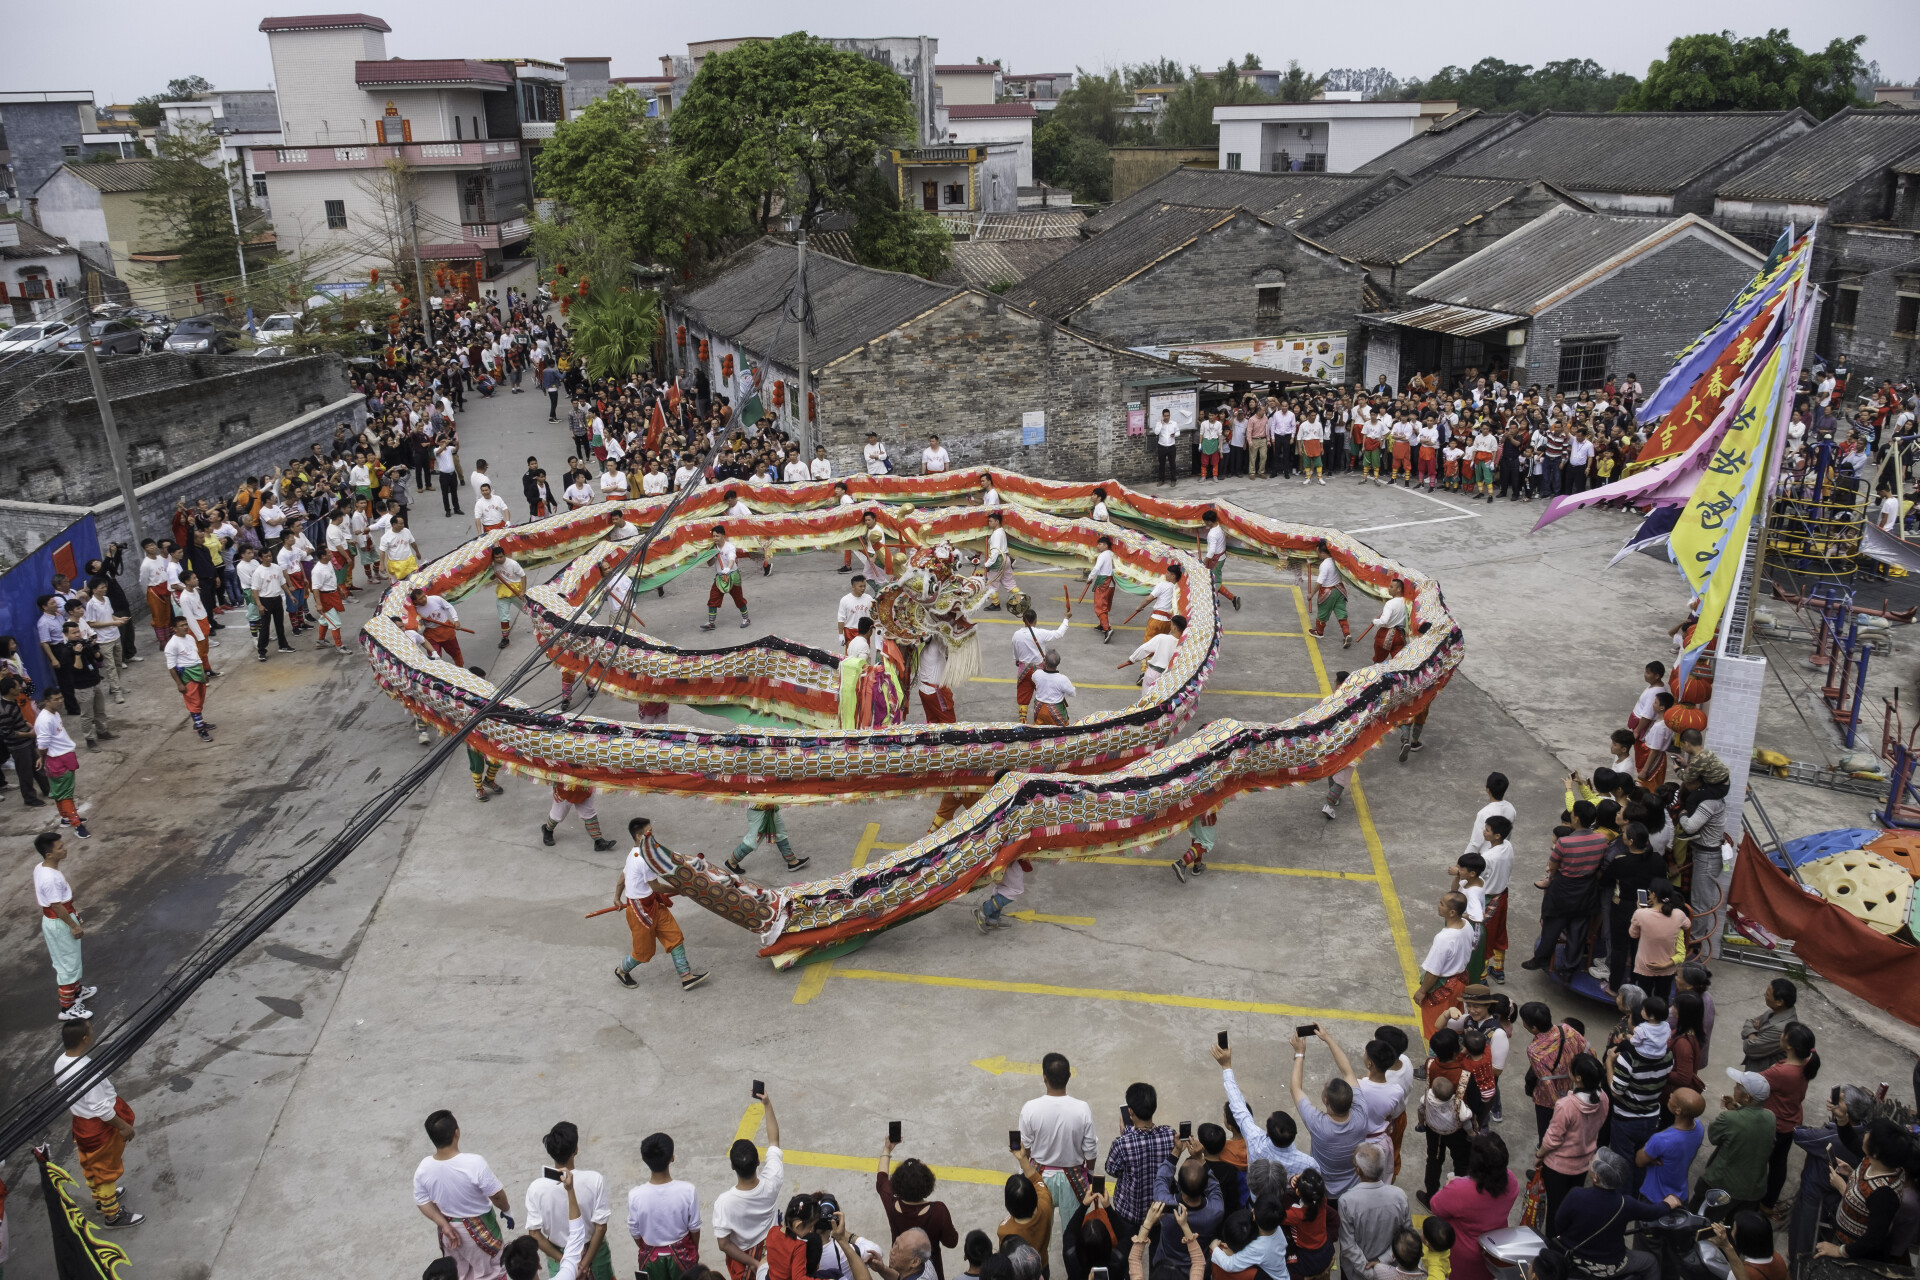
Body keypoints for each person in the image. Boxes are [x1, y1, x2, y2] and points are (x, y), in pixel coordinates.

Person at [57, 1019, 143, 1227]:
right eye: (90, 1029)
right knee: (106, 1171)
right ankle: (112, 1215)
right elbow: (101, 1108)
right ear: (84, 1038)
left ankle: (102, 1199)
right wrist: (122, 1126)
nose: (93, 1031)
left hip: (82, 1123)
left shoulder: (61, 1061)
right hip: (99, 1127)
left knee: (92, 1165)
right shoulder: (84, 1072)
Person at [613, 818, 709, 992]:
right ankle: (621, 970)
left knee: (675, 938)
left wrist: (617, 898)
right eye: (649, 832)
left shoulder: (634, 853)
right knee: (644, 952)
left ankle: (686, 977)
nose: (653, 835)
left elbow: (623, 876)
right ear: (639, 836)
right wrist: (679, 890)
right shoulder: (643, 859)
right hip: (639, 912)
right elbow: (656, 886)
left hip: (654, 903)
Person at [414, 1109, 512, 1275]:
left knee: (459, 1274)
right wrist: (506, 1209)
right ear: (456, 1132)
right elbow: (497, 1195)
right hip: (479, 1233)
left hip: (449, 1233)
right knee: (491, 1273)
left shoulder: (424, 1167)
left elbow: (422, 1201)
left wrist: (443, 1224)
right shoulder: (474, 1163)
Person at [1552, 1149, 1664, 1280]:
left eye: (1592, 1161)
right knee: (1650, 1262)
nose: (1590, 1160)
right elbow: (1653, 1213)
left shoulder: (1576, 1195)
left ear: (1596, 1178)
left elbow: (1559, 1225)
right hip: (1607, 1265)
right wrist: (1668, 1204)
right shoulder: (1626, 1204)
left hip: (1573, 1257)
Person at [1813, 1118, 1912, 1262]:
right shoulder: (1880, 1161)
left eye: (1870, 1134)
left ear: (1876, 1152)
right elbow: (1851, 1140)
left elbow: (1874, 1239)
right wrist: (1852, 1173)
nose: (1865, 1134)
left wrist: (1840, 1251)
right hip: (1844, 1231)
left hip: (1856, 1251)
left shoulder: (1884, 1195)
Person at [527, 1122, 614, 1280]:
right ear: (576, 1150)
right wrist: (585, 1264)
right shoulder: (595, 1180)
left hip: (559, 1258)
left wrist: (567, 1263)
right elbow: (600, 1228)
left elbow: (534, 1233)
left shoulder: (535, 1188)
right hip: (595, 1256)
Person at [716, 1087, 786, 1280]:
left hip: (744, 1263)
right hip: (772, 1252)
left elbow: (724, 1244)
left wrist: (753, 1263)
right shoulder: (772, 1181)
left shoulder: (724, 1202)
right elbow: (774, 1141)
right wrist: (767, 1104)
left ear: (732, 1166)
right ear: (758, 1162)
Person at [1291, 1027, 1369, 1199]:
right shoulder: (1361, 1114)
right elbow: (1348, 1071)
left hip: (1323, 1191)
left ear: (1325, 1100)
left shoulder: (1318, 1124)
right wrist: (1327, 1038)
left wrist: (1299, 1053)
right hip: (1353, 1190)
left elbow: (1295, 1089)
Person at [1426, 1133, 1516, 1280]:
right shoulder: (1511, 1180)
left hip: (1463, 1259)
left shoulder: (1460, 1190)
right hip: (1493, 1251)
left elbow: (1435, 1206)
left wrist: (1451, 1184)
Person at [1534, 1052, 1607, 1228]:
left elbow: (1552, 1139)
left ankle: (1554, 1241)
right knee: (1571, 1206)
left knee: (1555, 1210)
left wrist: (1539, 1155)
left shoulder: (1566, 1105)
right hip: (1582, 1164)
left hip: (1558, 1167)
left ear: (1578, 1078)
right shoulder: (1603, 1098)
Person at [35, 831, 97, 1020]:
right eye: (60, 847)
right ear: (49, 854)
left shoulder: (41, 867)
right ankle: (68, 1007)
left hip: (60, 919)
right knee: (68, 965)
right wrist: (73, 925)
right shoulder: (50, 878)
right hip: (60, 922)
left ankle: (76, 992)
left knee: (72, 960)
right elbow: (56, 906)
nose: (65, 849)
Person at [877, 1141, 958, 1279]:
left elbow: (881, 1180)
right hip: (931, 1271)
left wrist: (887, 1149)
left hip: (898, 1268)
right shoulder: (938, 1211)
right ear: (928, 1184)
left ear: (896, 1183)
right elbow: (951, 1242)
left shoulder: (891, 1201)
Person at [1698, 1070, 1775, 1213]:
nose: (1734, 1088)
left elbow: (1714, 1137)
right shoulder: (1770, 1117)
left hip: (1723, 1188)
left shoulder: (1728, 1119)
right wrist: (1738, 1110)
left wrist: (1733, 1113)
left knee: (1699, 1218)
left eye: (1738, 1086)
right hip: (1753, 1190)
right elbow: (1749, 1124)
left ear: (1747, 1097)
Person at [1760, 1023, 1818, 1212]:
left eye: (1784, 1034)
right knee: (1779, 1163)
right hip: (1791, 1121)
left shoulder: (1781, 1072)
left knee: (1759, 1162)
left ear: (1790, 1045)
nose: (1781, 1035)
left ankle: (1754, 1199)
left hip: (1775, 1125)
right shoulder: (1806, 1064)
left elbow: (1752, 1082)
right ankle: (1768, 1202)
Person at [630, 1132, 702, 1270]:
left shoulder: (635, 1195)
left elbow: (635, 1231)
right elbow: (694, 1228)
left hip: (652, 1260)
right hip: (683, 1256)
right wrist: (694, 1251)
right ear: (672, 1158)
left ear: (644, 1159)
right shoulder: (688, 1190)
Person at [1338, 1143, 1411, 1280]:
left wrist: (1369, 1272)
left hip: (1355, 1273)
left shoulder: (1347, 1201)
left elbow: (1348, 1246)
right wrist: (1382, 1261)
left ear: (1359, 1170)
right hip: (1388, 1270)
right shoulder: (1400, 1196)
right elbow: (1407, 1236)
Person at [1415, 892, 1472, 1043]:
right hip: (1461, 982)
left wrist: (1422, 991)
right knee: (1455, 1024)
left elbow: (1433, 973)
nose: (1438, 906)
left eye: (1442, 904)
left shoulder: (1443, 939)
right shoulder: (1467, 925)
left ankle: (1437, 1056)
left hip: (1445, 988)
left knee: (1436, 1031)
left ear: (1452, 912)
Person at [1638, 1088, 1705, 1209]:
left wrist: (1649, 1154)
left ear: (1678, 1110)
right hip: (1680, 1195)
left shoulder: (1660, 1139)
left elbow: (1639, 1161)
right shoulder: (1699, 1128)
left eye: (1673, 1096)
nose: (1670, 1094)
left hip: (1654, 1197)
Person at [36, 690, 89, 837]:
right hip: (58, 760)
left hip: (63, 757)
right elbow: (43, 745)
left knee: (60, 792)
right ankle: (77, 825)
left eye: (61, 698)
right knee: (66, 795)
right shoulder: (44, 720)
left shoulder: (55, 714)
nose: (60, 701)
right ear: (47, 701)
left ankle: (66, 818)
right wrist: (42, 758)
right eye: (56, 699)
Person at [998, 1147, 1057, 1271]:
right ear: (1034, 1197)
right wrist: (1023, 1158)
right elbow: (1036, 1180)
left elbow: (1004, 1259)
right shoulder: (1045, 1204)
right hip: (1042, 1266)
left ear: (1008, 1205)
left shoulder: (1005, 1232)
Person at [163, 617, 215, 741]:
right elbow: (171, 667)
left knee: (200, 700)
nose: (185, 627)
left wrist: (203, 673)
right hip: (187, 675)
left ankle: (199, 722)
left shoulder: (190, 638)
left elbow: (196, 657)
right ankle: (201, 729)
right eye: (182, 625)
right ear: (174, 629)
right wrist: (179, 684)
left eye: (186, 624)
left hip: (198, 672)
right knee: (194, 702)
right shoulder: (172, 645)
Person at [726, 805, 810, 876]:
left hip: (771, 808)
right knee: (753, 841)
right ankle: (731, 862)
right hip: (759, 810)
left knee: (780, 833)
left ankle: (792, 861)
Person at [1739, 980, 1797, 1073]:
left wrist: (1753, 1033)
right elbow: (1749, 1022)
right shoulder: (1776, 1011)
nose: (1764, 995)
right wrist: (1756, 1035)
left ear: (1779, 1002)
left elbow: (1750, 1048)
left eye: (1767, 994)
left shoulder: (1781, 1028)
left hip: (1763, 1074)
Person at [704, 525, 753, 631]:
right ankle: (711, 623)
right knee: (713, 598)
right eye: (713, 536)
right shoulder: (712, 548)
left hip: (732, 576)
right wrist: (713, 556)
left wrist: (727, 568)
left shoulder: (730, 546)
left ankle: (746, 619)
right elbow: (709, 564)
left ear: (723, 536)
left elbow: (732, 558)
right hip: (720, 578)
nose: (715, 538)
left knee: (738, 599)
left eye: (717, 536)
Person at [1310, 542, 1352, 647]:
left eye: (1317, 552)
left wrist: (1311, 594)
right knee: (1341, 614)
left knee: (1322, 614)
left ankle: (1319, 632)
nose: (1317, 554)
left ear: (1322, 552)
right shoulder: (1336, 560)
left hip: (1328, 593)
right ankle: (1347, 634)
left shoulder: (1324, 565)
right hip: (1340, 590)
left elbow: (1320, 582)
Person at [1199, 510, 1242, 612]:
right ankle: (1216, 600)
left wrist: (1203, 562)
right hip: (1221, 557)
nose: (1204, 524)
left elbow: (1211, 552)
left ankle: (1232, 598)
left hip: (1215, 560)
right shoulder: (1220, 528)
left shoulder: (1212, 534)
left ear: (1209, 521)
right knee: (1212, 579)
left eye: (1205, 522)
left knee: (1215, 582)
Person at [490, 548, 527, 649]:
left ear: (504, 555)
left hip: (516, 592)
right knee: (503, 616)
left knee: (528, 610)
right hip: (503, 593)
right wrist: (492, 574)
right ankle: (505, 638)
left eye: (501, 557)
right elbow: (491, 578)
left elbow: (523, 576)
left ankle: (543, 626)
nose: (499, 559)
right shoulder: (493, 564)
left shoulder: (513, 564)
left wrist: (523, 592)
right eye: (496, 557)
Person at [1085, 536, 1117, 642]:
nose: (1098, 546)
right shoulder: (1113, 554)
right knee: (1105, 605)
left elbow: (1096, 568)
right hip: (1111, 583)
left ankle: (1107, 629)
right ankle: (1102, 625)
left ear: (1106, 545)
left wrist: (1089, 578)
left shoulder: (1103, 555)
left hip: (1103, 582)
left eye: (1100, 544)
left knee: (1100, 607)